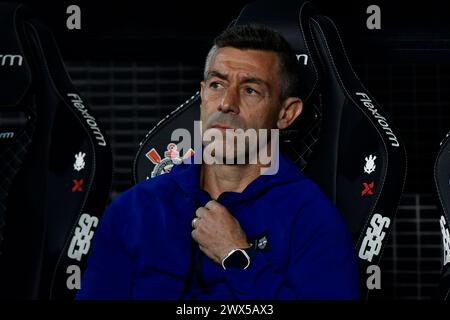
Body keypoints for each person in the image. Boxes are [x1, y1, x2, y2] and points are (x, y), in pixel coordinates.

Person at [76, 24, 360, 300]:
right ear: (202, 95)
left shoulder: (312, 218)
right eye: (216, 85)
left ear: (286, 113)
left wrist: (237, 257)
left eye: (250, 90)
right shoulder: (132, 210)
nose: (227, 102)